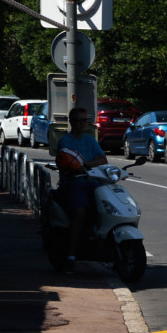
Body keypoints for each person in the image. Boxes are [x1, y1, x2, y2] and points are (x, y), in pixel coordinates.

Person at [56, 107, 108, 274]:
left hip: (92, 181)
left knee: (107, 205)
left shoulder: (90, 141)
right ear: (71, 122)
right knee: (80, 213)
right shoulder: (66, 141)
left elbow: (103, 159)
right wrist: (83, 166)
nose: (82, 123)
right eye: (79, 120)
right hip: (74, 183)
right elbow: (71, 164)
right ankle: (71, 255)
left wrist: (86, 165)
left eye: (85, 120)